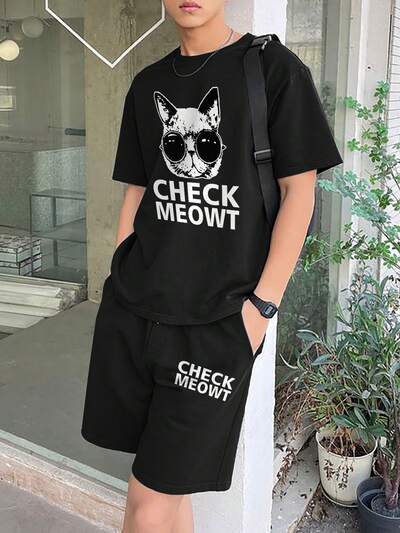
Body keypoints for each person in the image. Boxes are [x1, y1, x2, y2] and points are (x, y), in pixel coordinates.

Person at [81, 1, 343, 531]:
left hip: (217, 325)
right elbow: (139, 189)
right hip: (136, 312)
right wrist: (119, 278)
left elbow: (299, 192)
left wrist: (260, 309)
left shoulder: (273, 70)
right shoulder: (147, 85)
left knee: (146, 504)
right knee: (164, 488)